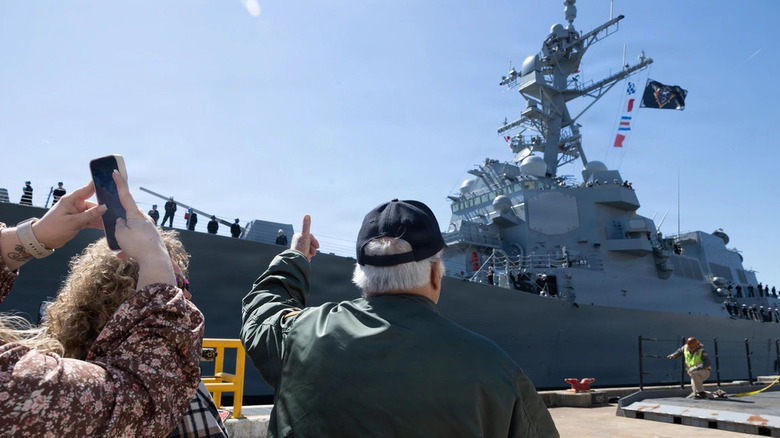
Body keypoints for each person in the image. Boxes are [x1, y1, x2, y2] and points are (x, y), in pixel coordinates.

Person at [240, 199, 559, 438]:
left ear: (361, 274)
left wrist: (295, 258)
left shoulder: (299, 335)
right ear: (436, 272)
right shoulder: (497, 370)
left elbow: (261, 311)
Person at [0, 172, 204, 436]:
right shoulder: (22, 384)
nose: (184, 297)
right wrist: (158, 269)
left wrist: (32, 236)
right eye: (182, 288)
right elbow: (141, 400)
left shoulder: (51, 367)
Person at [44, 230, 228, 438]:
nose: (186, 294)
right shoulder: (167, 386)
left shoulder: (69, 373)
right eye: (176, 283)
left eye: (185, 285)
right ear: (129, 294)